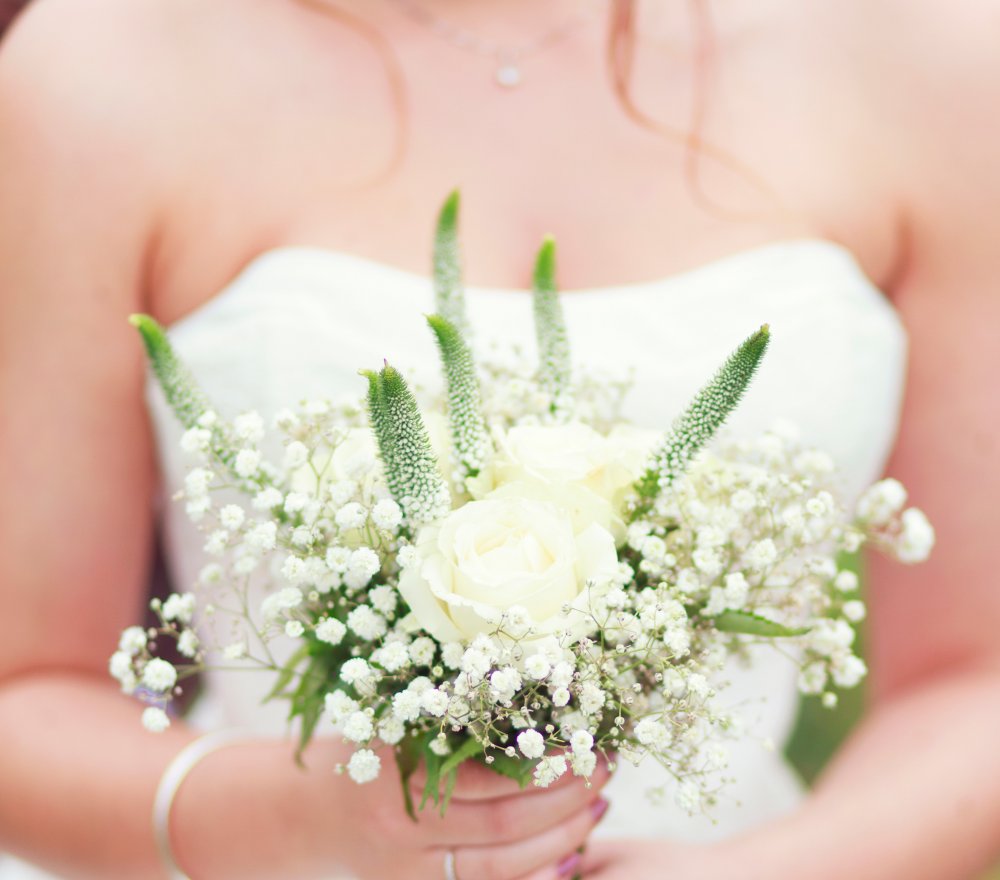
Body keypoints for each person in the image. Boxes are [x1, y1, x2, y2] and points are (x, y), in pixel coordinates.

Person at [0, 0, 998, 878]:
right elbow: (22, 689)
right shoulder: (103, 63)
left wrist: (773, 874)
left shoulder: (926, 50)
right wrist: (299, 818)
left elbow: (975, 677)